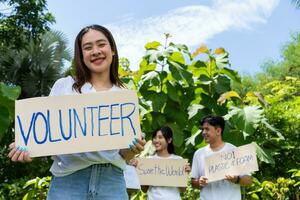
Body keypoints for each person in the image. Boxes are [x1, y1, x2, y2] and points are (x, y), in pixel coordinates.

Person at [8, 24, 145, 200]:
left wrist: (133, 149)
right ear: (81, 56)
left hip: (111, 183)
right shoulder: (64, 86)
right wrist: (27, 146)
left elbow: (123, 155)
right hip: (68, 182)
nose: (95, 51)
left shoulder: (124, 97)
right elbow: (45, 135)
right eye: (88, 47)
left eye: (101, 44)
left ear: (112, 50)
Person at [191, 115, 252, 200]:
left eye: (207, 129)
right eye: (203, 129)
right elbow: (193, 183)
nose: (203, 132)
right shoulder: (198, 154)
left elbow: (248, 180)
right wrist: (199, 182)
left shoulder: (234, 151)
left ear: (218, 131)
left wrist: (236, 179)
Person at [132, 126, 191, 200]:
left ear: (169, 140)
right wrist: (139, 172)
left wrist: (185, 174)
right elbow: (144, 189)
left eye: (160, 137)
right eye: (155, 138)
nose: (156, 140)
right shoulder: (148, 161)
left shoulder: (178, 160)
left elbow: (183, 189)